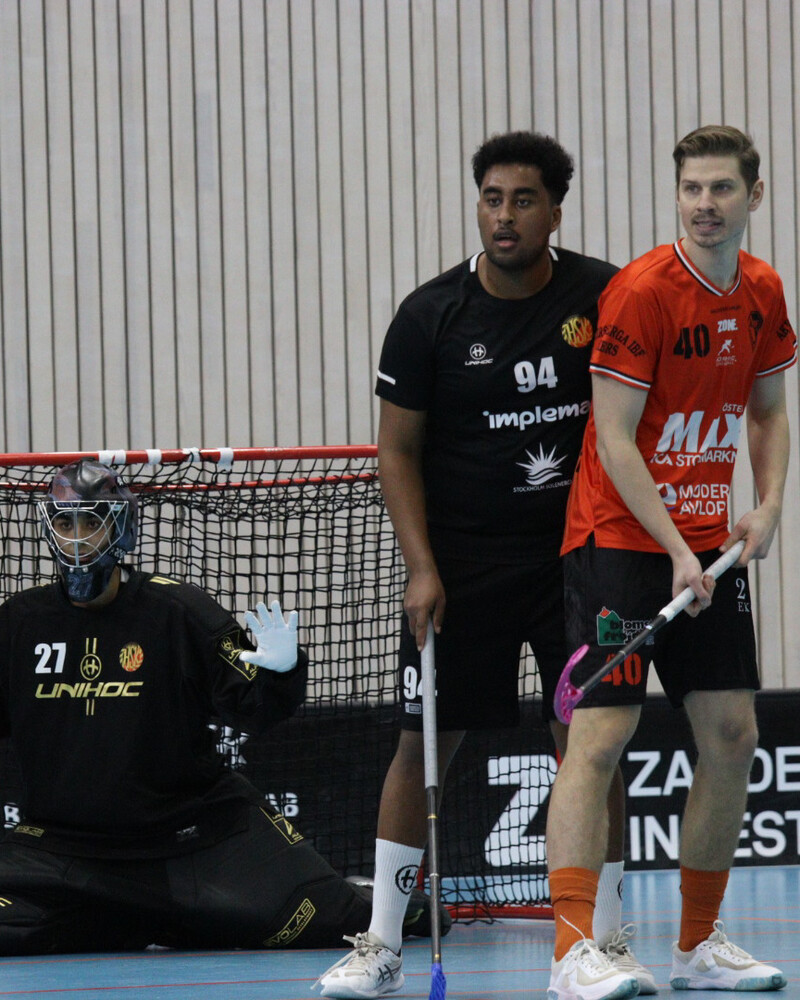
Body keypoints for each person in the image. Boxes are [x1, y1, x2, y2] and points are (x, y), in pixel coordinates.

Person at [316, 131, 652, 999]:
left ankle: (604, 939)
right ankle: (382, 944)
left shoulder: (604, 296)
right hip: (462, 569)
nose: (505, 216)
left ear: (555, 213)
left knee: (591, 745)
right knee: (421, 745)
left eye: (523, 200)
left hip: (579, 563)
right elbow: (397, 452)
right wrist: (420, 567)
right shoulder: (429, 316)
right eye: (492, 199)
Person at [0, 458, 445, 955]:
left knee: (316, 920)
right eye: (65, 524)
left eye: (92, 522)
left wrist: (282, 671)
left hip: (193, 839)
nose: (78, 539)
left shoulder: (178, 611)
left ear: (119, 529)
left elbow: (254, 709)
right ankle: (144, 917)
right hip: (62, 849)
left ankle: (369, 898)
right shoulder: (19, 622)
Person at [546, 124, 796, 1000]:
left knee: (732, 735)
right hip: (619, 541)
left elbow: (769, 412)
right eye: (692, 188)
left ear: (752, 196)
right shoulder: (642, 293)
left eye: (722, 188)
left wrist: (767, 506)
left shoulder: (762, 291)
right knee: (601, 736)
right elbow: (614, 439)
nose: (704, 204)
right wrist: (678, 550)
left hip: (707, 550)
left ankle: (697, 944)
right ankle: (572, 952)